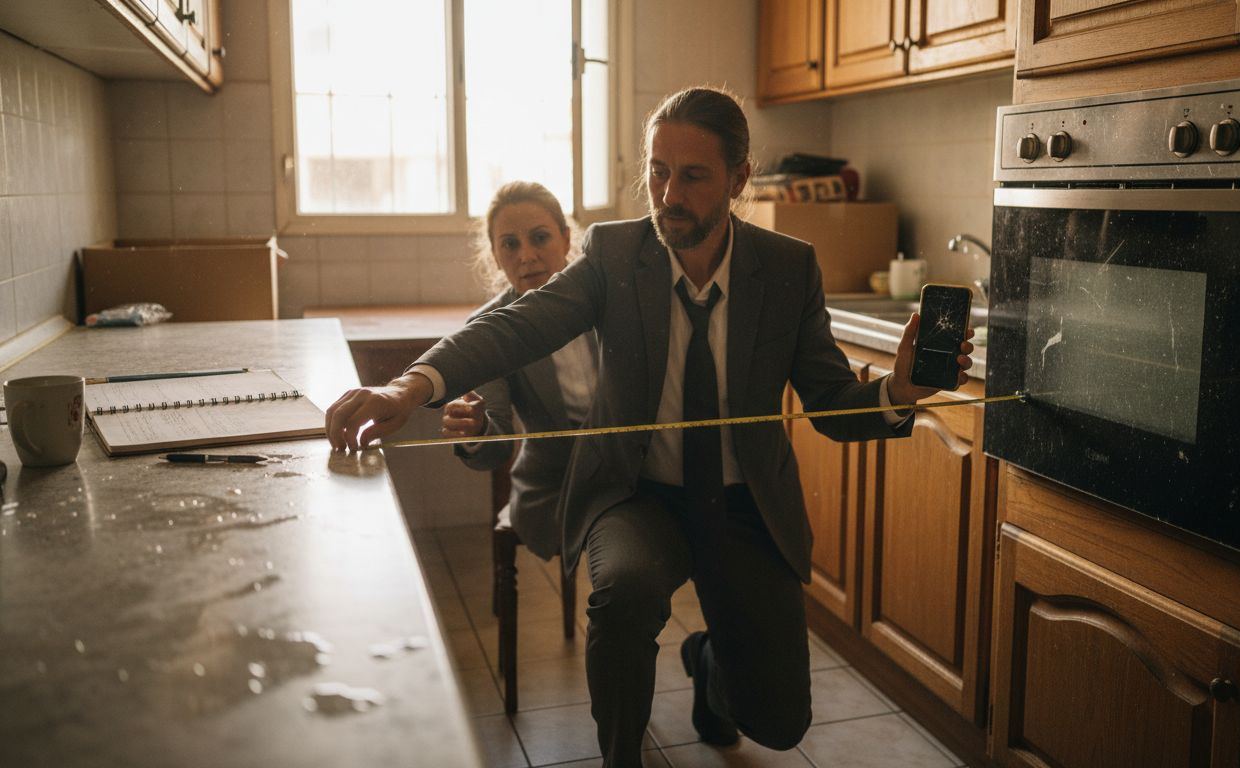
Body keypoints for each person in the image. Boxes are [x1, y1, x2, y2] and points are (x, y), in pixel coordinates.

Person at [326, 86, 973, 768]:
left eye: (692, 176)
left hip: (745, 503)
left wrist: (900, 391)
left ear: (738, 180)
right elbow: (513, 327)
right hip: (636, 496)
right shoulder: (614, 254)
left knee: (780, 722)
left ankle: (708, 664)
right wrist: (408, 386)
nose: (668, 195)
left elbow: (832, 401)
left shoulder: (788, 268)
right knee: (623, 595)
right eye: (657, 171)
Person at [442, 181, 596, 563]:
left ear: (566, 239)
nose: (526, 255)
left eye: (540, 238)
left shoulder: (606, 297)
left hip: (631, 475)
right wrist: (476, 429)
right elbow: (493, 451)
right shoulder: (488, 327)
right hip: (553, 488)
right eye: (510, 244)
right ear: (495, 256)